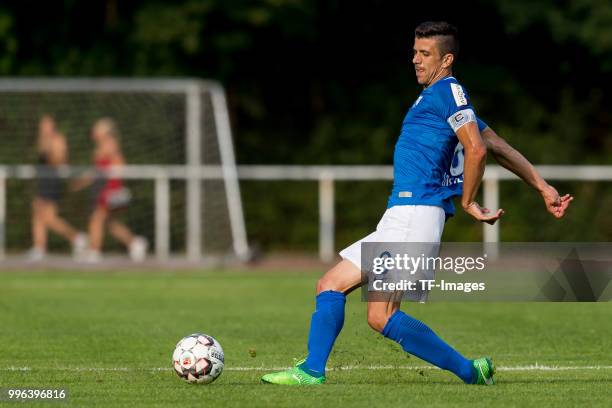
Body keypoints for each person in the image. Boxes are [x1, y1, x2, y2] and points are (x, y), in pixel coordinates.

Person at [261, 21, 573, 386]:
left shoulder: (448, 91)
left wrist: (469, 201)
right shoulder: (443, 99)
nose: (415, 60)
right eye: (414, 52)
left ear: (447, 60)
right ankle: (465, 371)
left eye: (425, 54)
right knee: (331, 286)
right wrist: (542, 186)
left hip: (416, 215)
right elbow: (499, 146)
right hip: (403, 216)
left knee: (381, 314)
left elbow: (478, 149)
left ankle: (316, 372)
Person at [72, 118, 147, 263]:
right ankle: (134, 243)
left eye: (97, 129)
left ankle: (94, 251)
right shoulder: (100, 147)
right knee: (110, 224)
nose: (94, 131)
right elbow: (96, 172)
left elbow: (118, 165)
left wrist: (114, 186)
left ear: (105, 131)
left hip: (110, 188)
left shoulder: (109, 144)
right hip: (104, 187)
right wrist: (81, 182)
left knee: (97, 218)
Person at [28, 115, 87, 261]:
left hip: (53, 180)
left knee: (49, 218)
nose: (43, 127)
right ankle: (39, 247)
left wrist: (49, 150)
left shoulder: (57, 139)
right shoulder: (42, 139)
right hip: (44, 180)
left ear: (52, 125)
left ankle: (76, 237)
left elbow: (59, 160)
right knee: (37, 213)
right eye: (42, 125)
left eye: (45, 124)